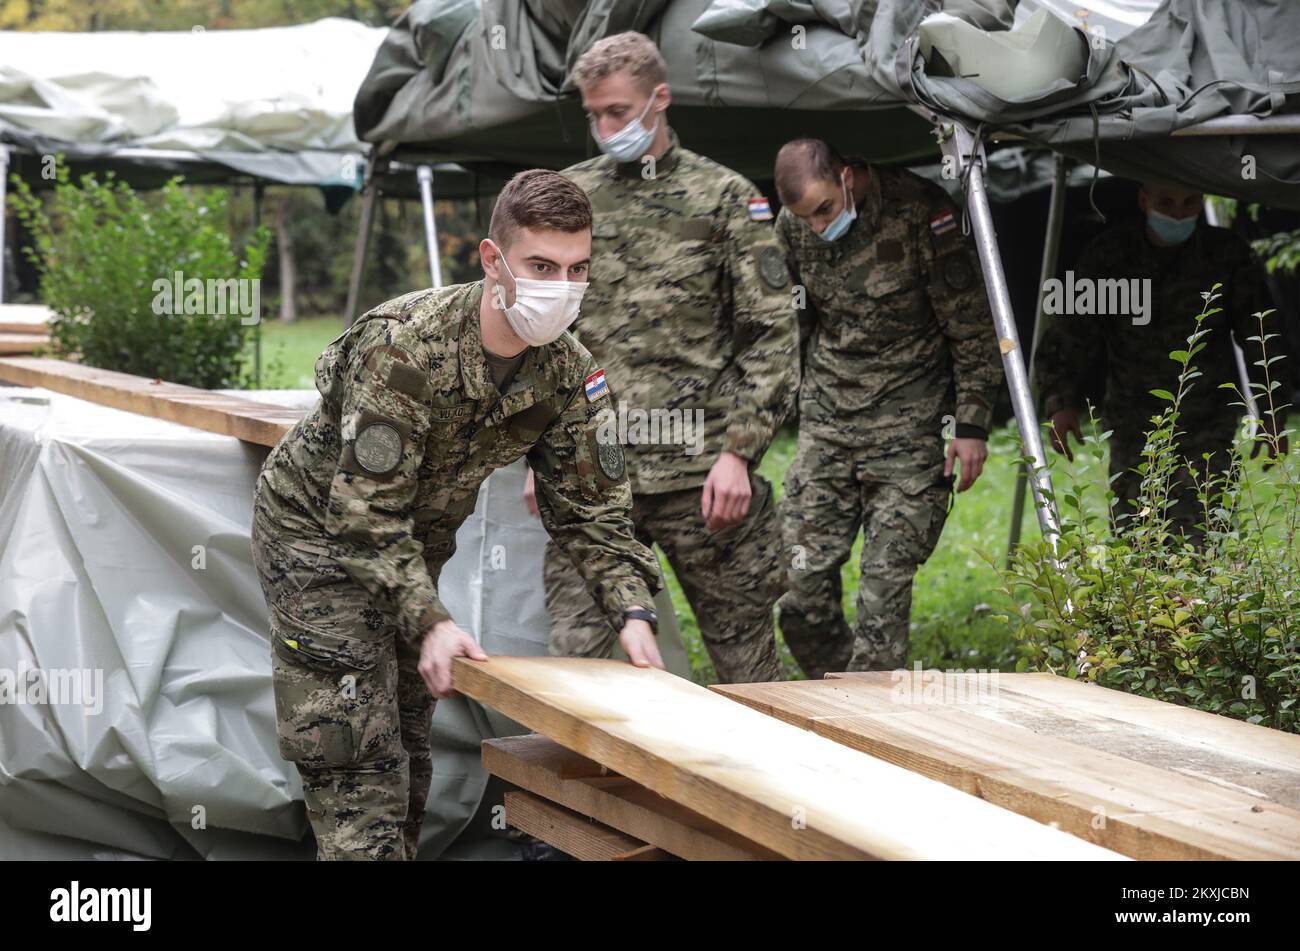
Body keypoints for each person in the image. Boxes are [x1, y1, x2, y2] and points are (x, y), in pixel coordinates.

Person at [252, 169, 662, 860]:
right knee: (357, 763)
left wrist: (633, 614)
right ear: (492, 260)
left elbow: (592, 511)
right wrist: (433, 619)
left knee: (410, 749)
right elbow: (362, 513)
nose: (560, 286)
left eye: (576, 268)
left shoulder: (566, 371)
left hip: (410, 547)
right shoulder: (404, 348)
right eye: (540, 265)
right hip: (317, 539)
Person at [530, 31, 799, 684]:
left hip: (703, 481)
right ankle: (602, 789)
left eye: (617, 111)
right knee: (584, 675)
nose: (603, 127)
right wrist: (537, 451)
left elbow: (772, 333)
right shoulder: (569, 199)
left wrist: (740, 452)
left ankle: (765, 787)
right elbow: (541, 335)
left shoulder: (726, 198)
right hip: (594, 480)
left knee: (749, 677)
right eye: (593, 114)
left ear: (660, 99)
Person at [772, 138, 1002, 678]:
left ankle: (871, 719)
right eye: (803, 217)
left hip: (909, 427)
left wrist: (971, 424)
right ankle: (837, 697)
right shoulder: (792, 226)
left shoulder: (922, 210)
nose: (816, 225)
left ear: (848, 176)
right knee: (797, 592)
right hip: (829, 422)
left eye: (824, 209)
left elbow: (971, 325)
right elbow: (789, 326)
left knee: (882, 593)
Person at [1036, 180, 1287, 535]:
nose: (1179, 213)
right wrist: (1059, 404)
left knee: (1199, 538)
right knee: (1137, 536)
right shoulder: (1111, 255)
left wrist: (1273, 410)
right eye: (1167, 202)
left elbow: (1261, 336)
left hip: (1206, 422)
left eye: (1190, 202)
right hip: (1134, 425)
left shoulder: (1226, 254)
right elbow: (1071, 331)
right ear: (1144, 199)